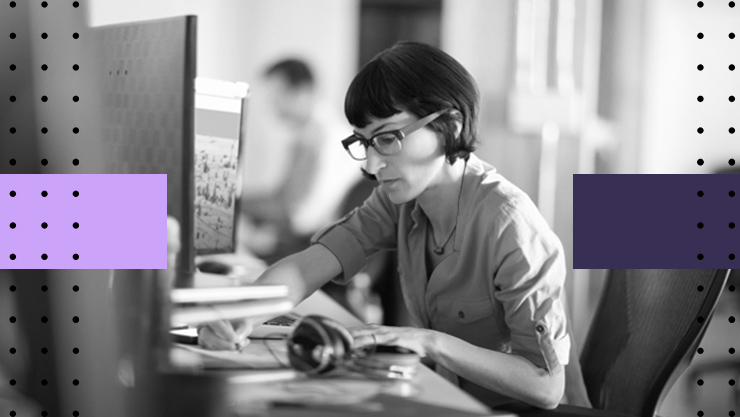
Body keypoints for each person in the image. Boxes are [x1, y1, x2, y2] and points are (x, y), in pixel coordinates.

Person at [200, 42, 578, 410]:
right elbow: (310, 264)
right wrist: (239, 317)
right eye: (365, 142)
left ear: (451, 123)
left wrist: (429, 342)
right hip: (446, 396)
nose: (370, 165)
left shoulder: (508, 224)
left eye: (387, 138)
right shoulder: (400, 200)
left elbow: (545, 387)